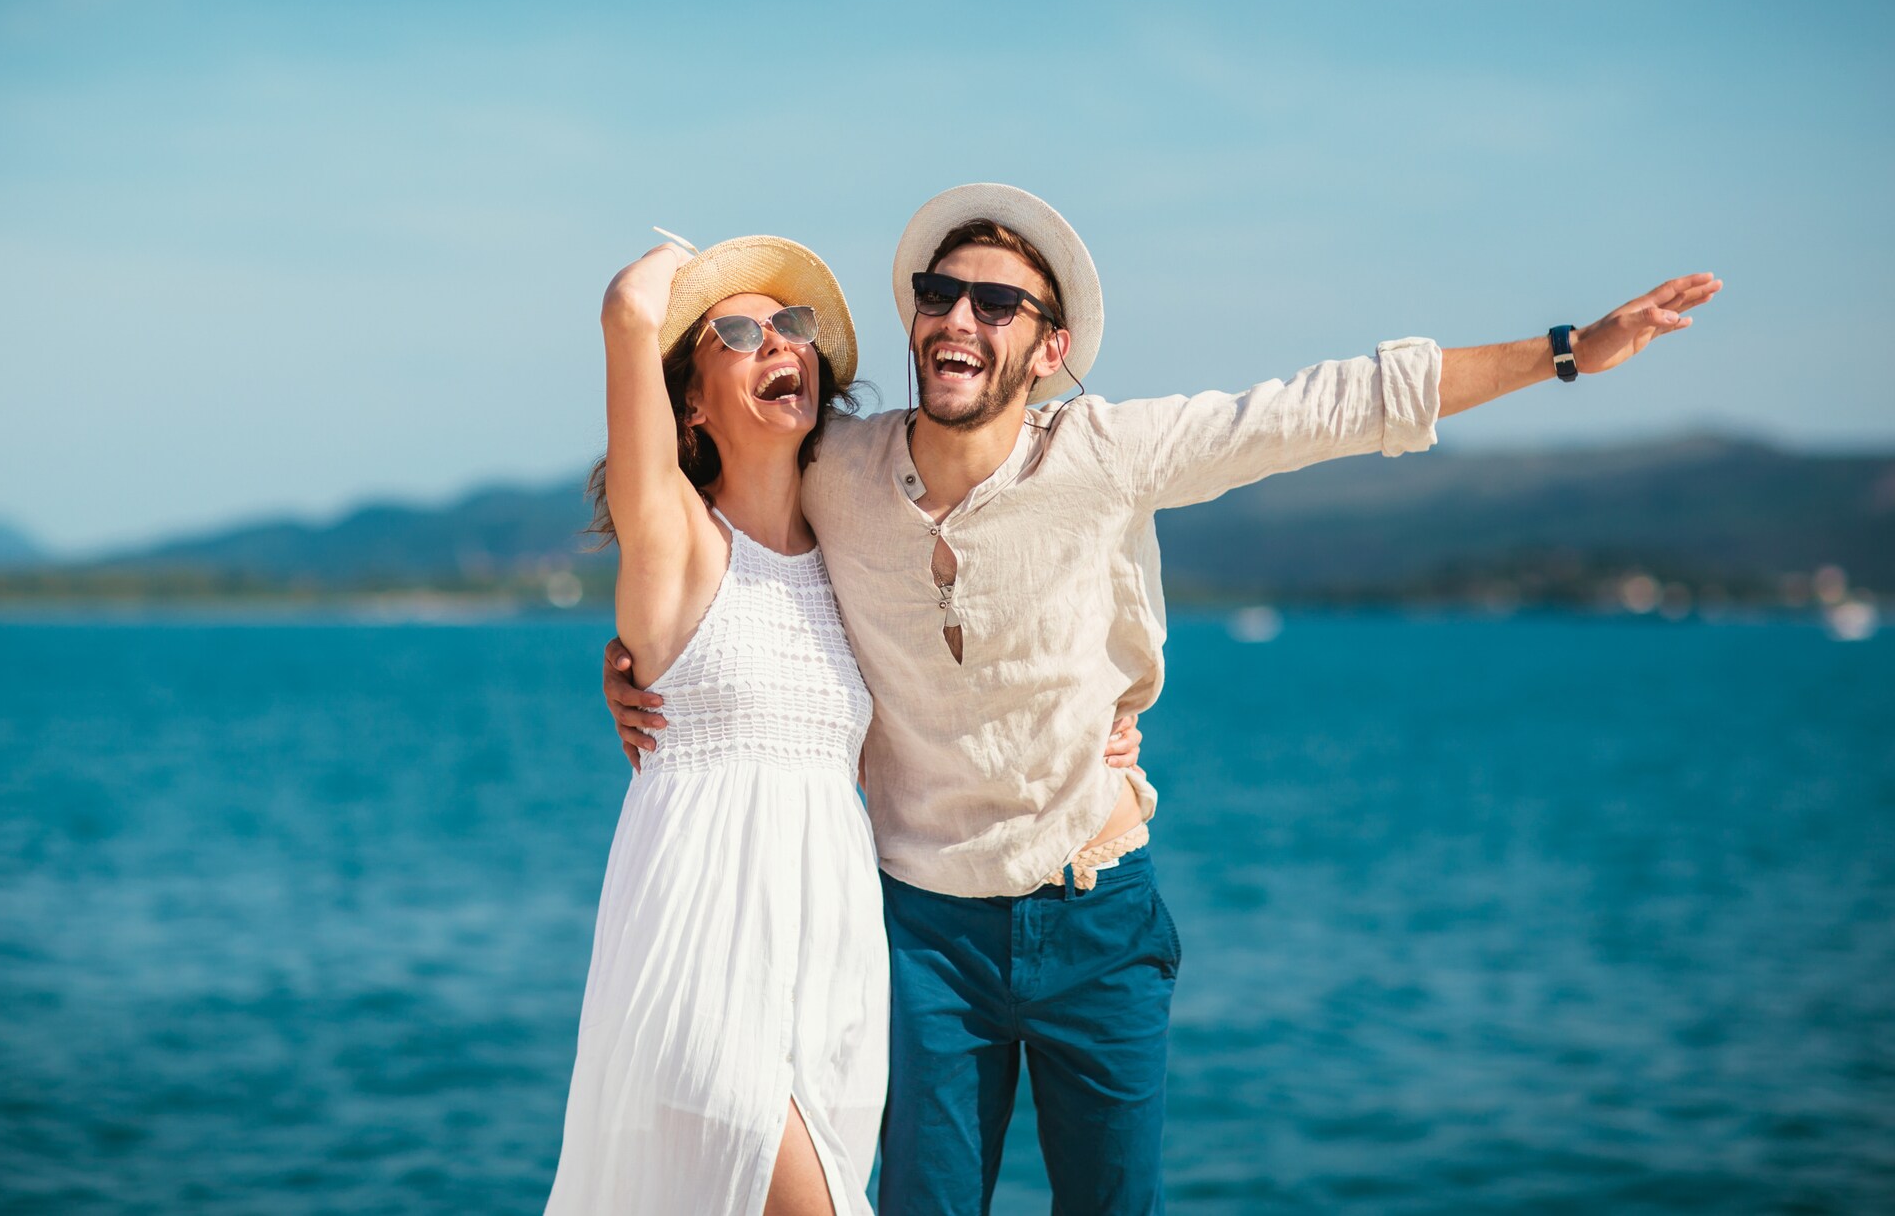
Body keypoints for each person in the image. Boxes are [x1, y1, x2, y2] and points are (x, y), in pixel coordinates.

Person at [603, 183, 1722, 1212]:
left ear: (1049, 348)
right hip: (923, 939)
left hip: (1094, 918)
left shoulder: (1104, 452)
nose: (959, 319)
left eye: (997, 304)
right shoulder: (834, 467)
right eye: (940, 294)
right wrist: (648, 669)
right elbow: (717, 544)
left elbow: (1330, 407)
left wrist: (1567, 350)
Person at [545, 233, 886, 1215]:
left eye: (792, 325)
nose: (778, 342)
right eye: (737, 332)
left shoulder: (852, 561)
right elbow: (626, 311)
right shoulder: (679, 542)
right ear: (689, 402)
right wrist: (676, 262)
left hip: (830, 971)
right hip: (695, 952)